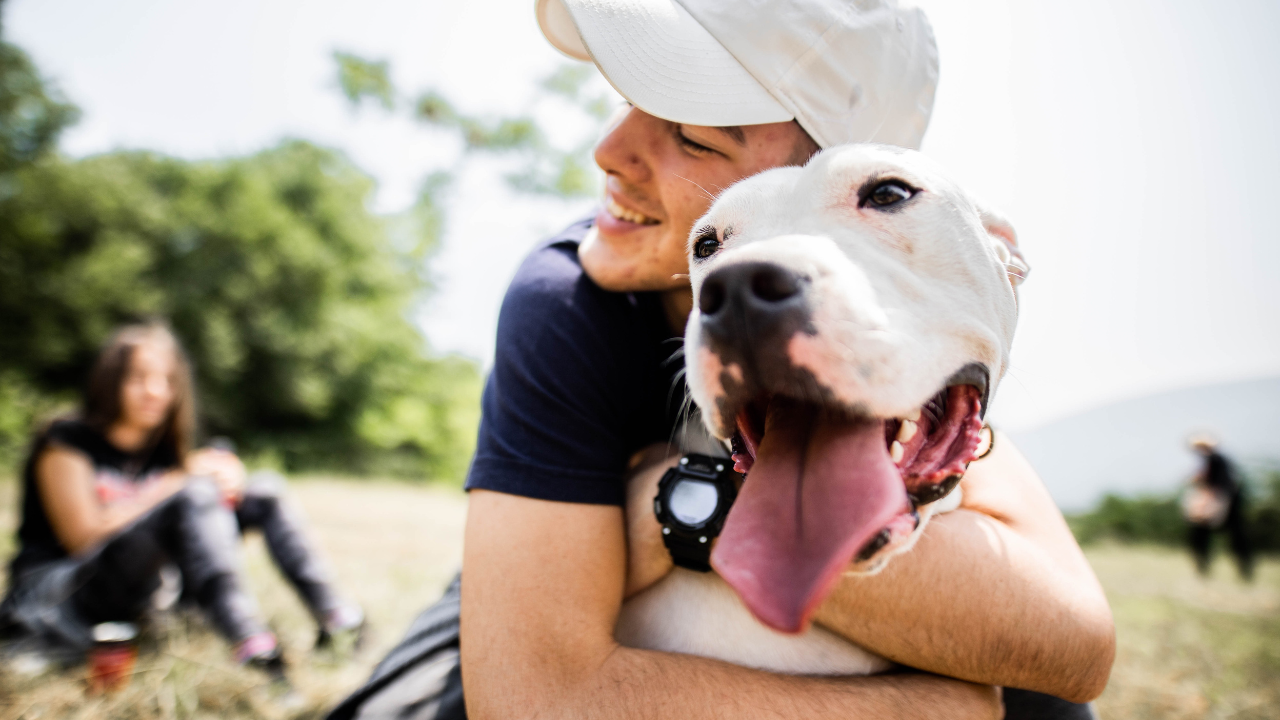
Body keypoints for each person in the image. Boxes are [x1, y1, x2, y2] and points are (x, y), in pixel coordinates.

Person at [331, 1, 1115, 718]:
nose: (607, 151)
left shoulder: (915, 324)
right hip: (527, 575)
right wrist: (939, 711)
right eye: (625, 94)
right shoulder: (564, 298)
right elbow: (532, 692)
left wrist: (658, 503)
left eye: (695, 134)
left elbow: (1075, 649)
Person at [0, 322, 363, 678]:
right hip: (60, 596)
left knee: (264, 490)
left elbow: (192, 509)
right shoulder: (66, 440)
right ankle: (251, 644)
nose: (155, 391)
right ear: (110, 381)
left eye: (168, 380)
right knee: (193, 494)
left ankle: (338, 620)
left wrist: (229, 485)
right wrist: (179, 483)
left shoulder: (163, 451)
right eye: (139, 377)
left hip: (143, 592)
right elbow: (82, 537)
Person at [1183, 434, 1254, 580]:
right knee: (1205, 537)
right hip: (1217, 504)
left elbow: (1220, 485)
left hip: (1222, 505)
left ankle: (1242, 571)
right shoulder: (1211, 461)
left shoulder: (1216, 460)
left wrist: (1206, 501)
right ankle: (1204, 569)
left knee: (1235, 538)